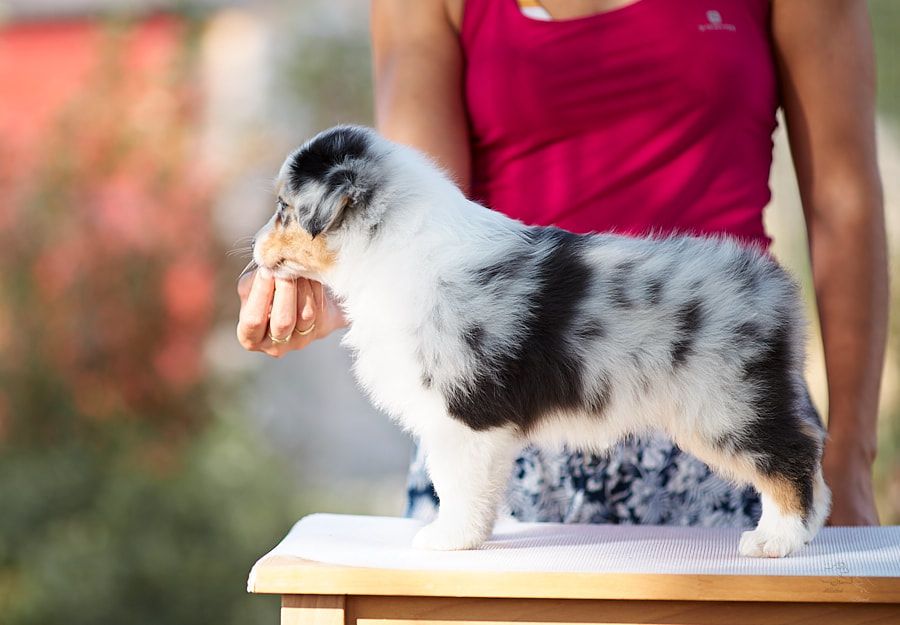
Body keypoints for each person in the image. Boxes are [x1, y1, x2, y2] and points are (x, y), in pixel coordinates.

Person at [238, 0, 886, 527]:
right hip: (506, 425)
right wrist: (327, 285)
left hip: (711, 381)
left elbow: (844, 201)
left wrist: (850, 463)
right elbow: (408, 215)